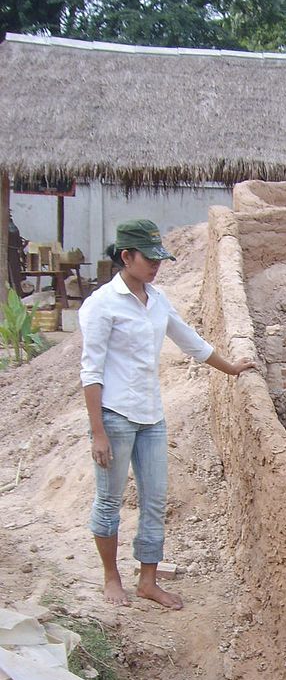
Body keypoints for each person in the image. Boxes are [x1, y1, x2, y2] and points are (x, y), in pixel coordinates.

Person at [79, 219, 257, 610]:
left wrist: (231, 367)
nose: (156, 266)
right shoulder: (101, 305)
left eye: (160, 259)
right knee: (109, 501)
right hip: (115, 415)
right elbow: (91, 371)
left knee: (155, 500)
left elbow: (188, 339)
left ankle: (147, 580)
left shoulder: (157, 300)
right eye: (149, 258)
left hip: (150, 416)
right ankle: (112, 576)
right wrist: (97, 432)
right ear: (126, 257)